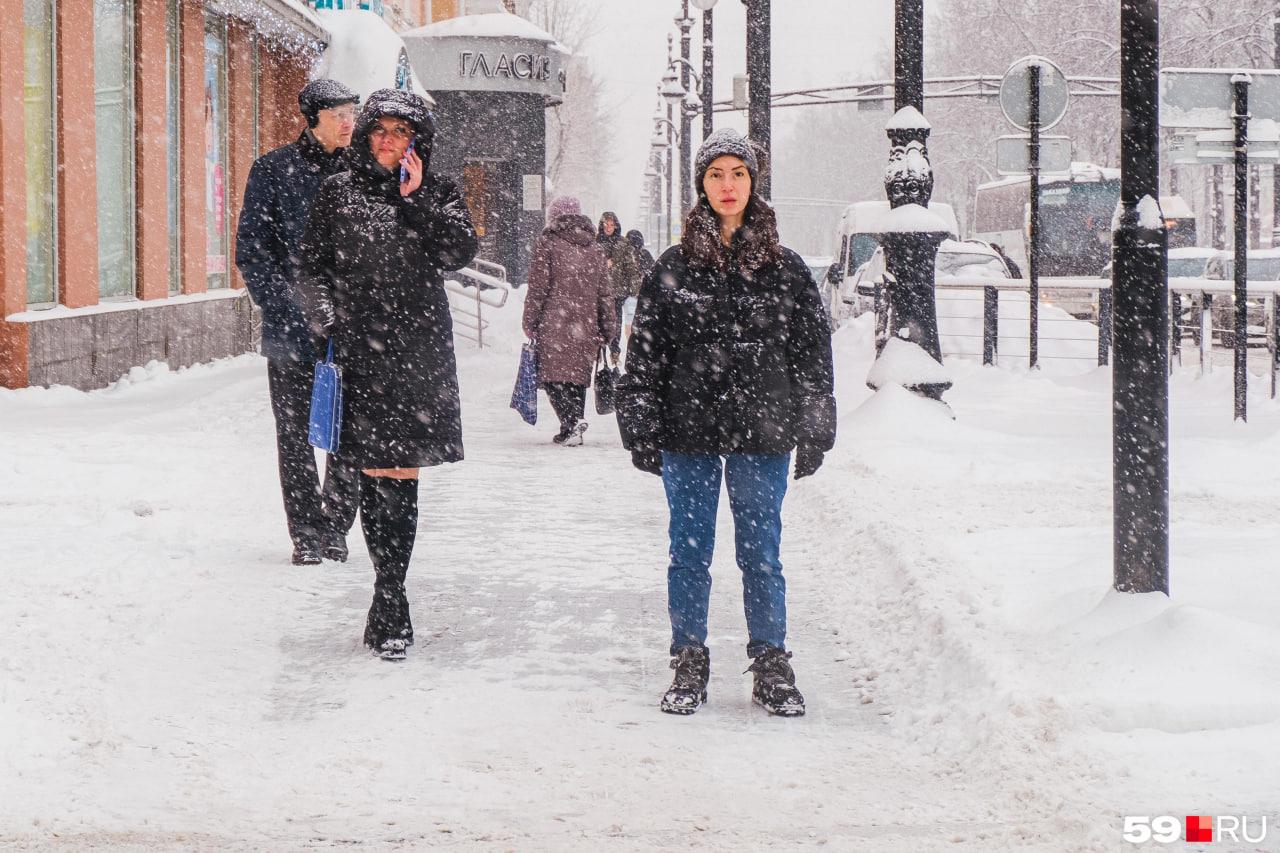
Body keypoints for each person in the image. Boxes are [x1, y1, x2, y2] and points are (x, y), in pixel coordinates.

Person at [616, 128, 837, 717]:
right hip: (687, 431)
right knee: (689, 552)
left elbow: (812, 354)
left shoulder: (786, 270)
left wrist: (816, 425)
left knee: (761, 552)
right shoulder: (672, 267)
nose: (727, 185)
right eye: (716, 175)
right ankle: (688, 658)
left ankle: (771, 661)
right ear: (701, 186)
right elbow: (646, 352)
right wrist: (638, 420)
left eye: (737, 173)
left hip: (763, 432)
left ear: (753, 181)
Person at [297, 89, 478, 660]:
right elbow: (311, 267)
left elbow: (459, 252)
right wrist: (326, 321)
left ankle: (391, 593)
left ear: (416, 140)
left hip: (417, 353)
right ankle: (388, 590)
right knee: (373, 470)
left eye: (400, 132)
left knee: (400, 472)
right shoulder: (336, 193)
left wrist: (417, 198)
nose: (387, 139)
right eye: (379, 129)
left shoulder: (437, 190)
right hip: (359, 353)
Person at [235, 79, 363, 566]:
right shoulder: (273, 171)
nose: (349, 121)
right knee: (295, 434)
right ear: (313, 118)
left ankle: (336, 526)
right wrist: (288, 307)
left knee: (348, 431)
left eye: (352, 110)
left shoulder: (363, 171)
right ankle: (306, 532)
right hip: (292, 332)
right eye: (338, 113)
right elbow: (253, 251)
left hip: (352, 330)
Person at [523, 196, 617, 446]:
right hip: (587, 324)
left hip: (553, 323)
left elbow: (538, 287)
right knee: (577, 376)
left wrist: (529, 320)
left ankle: (571, 422)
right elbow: (605, 292)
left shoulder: (547, 243)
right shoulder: (596, 248)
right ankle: (572, 425)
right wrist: (608, 327)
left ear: (554, 217)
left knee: (553, 376)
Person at [597, 211, 637, 361]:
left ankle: (615, 350)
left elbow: (630, 267)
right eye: (606, 224)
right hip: (600, 290)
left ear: (616, 226)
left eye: (611, 224)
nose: (608, 227)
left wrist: (634, 288)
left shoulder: (623, 243)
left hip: (618, 290)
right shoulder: (595, 242)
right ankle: (600, 350)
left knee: (616, 322)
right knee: (600, 320)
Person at [623, 229, 655, 343]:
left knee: (629, 321)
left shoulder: (627, 255)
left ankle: (630, 345)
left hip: (630, 295)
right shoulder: (645, 255)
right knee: (639, 322)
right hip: (642, 295)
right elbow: (651, 273)